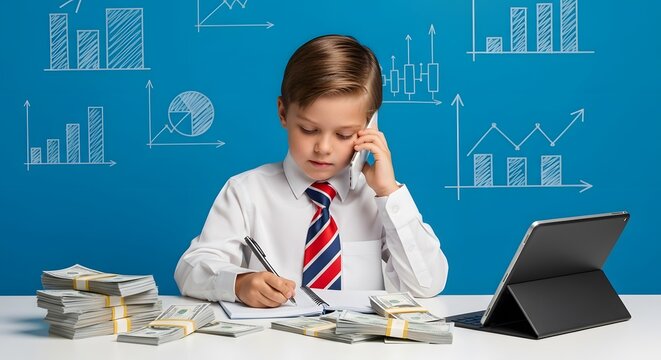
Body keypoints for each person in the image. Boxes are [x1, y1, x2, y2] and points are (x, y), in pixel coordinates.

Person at [174, 35, 448, 308]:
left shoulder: (379, 200)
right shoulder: (246, 192)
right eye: (308, 129)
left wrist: (389, 193)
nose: (323, 148)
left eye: (344, 134)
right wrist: (238, 282)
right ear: (283, 113)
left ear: (370, 124)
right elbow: (191, 269)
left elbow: (426, 285)